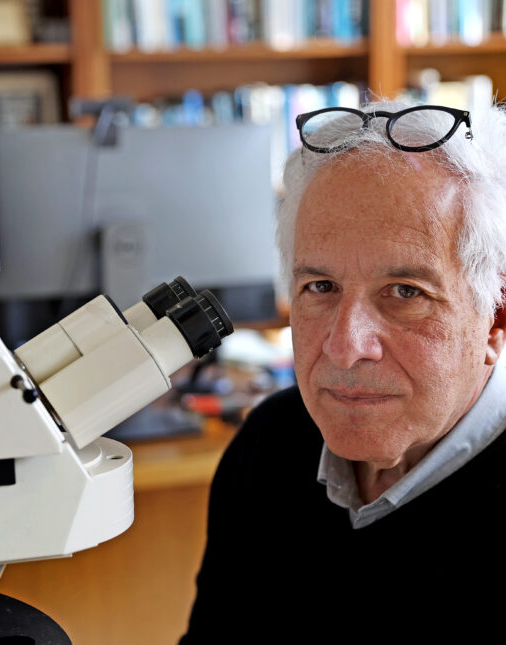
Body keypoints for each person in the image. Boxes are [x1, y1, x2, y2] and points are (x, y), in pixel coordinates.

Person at [179, 100, 506, 642]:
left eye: (405, 292)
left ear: (495, 318)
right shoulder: (270, 444)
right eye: (321, 288)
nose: (344, 346)